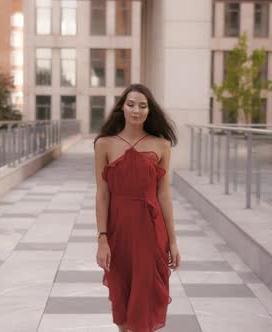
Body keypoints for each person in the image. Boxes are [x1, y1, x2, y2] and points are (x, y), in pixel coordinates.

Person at [93, 83, 180, 332]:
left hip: (151, 232)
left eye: (143, 106)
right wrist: (102, 239)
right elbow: (102, 195)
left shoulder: (161, 145)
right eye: (131, 104)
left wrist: (173, 241)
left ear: (149, 111)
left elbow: (163, 194)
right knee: (121, 295)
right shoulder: (104, 144)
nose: (136, 110)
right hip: (118, 230)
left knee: (146, 296)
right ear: (122, 107)